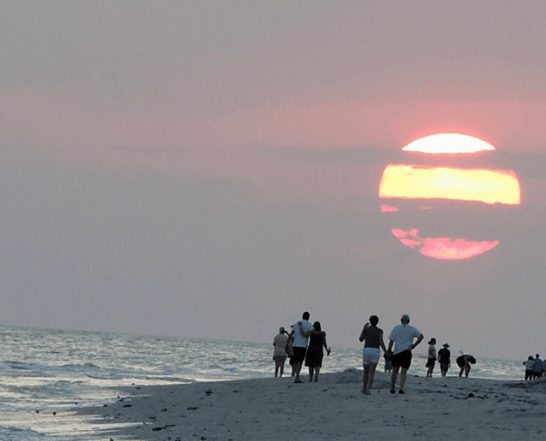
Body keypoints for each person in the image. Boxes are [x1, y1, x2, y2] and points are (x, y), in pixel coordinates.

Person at [387, 314, 424, 394]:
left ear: (401, 320)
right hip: (406, 352)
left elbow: (391, 341)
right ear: (408, 321)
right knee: (404, 372)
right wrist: (414, 345)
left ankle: (392, 387)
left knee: (394, 371)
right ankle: (401, 388)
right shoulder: (412, 329)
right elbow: (421, 336)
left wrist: (389, 350)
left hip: (397, 352)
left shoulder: (396, 328)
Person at [358, 315, 387, 395]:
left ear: (370, 321)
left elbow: (361, 339)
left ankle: (364, 387)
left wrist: (363, 328)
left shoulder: (366, 330)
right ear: (377, 322)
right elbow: (381, 342)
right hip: (375, 350)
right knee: (372, 371)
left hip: (366, 350)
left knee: (366, 371)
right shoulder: (380, 331)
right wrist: (385, 351)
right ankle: (368, 387)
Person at [290, 311, 314, 383]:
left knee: (295, 360)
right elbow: (307, 335)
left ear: (302, 316)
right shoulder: (309, 325)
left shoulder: (296, 323)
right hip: (302, 345)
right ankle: (297, 376)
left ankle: (293, 374)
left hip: (295, 345)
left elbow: (291, 334)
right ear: (308, 317)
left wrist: (288, 343)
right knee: (300, 361)